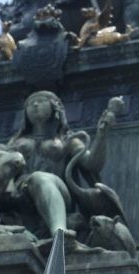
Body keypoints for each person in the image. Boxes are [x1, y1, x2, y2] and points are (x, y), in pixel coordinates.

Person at [6, 90, 121, 237]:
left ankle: (59, 233)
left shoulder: (68, 140)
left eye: (41, 101)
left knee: (40, 177)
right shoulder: (16, 141)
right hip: (21, 193)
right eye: (30, 103)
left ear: (55, 107)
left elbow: (92, 164)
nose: (35, 104)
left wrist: (102, 133)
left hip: (58, 191)